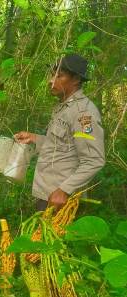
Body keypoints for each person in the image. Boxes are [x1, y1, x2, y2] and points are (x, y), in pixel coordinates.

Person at [15, 54, 105, 212]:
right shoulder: (62, 108)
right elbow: (61, 146)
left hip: (61, 200)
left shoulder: (83, 113)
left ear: (76, 79)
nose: (51, 80)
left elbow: (94, 159)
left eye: (59, 76)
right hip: (47, 193)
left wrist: (64, 190)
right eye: (52, 75)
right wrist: (34, 138)